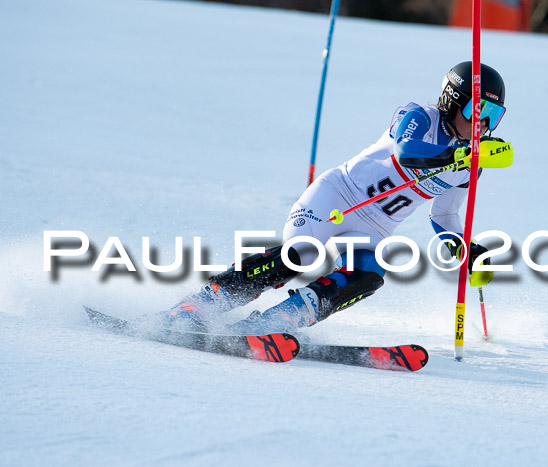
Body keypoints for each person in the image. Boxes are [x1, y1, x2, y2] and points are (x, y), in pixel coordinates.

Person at [168, 61, 511, 334]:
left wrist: (467, 247)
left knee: (368, 276)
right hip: (336, 198)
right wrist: (455, 156)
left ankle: (278, 321)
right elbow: (408, 153)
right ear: (452, 101)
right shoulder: (420, 116)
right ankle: (202, 304)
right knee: (299, 255)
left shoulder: (470, 167)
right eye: (476, 111)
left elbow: (445, 217)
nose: (482, 124)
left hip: (373, 228)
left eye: (492, 117)